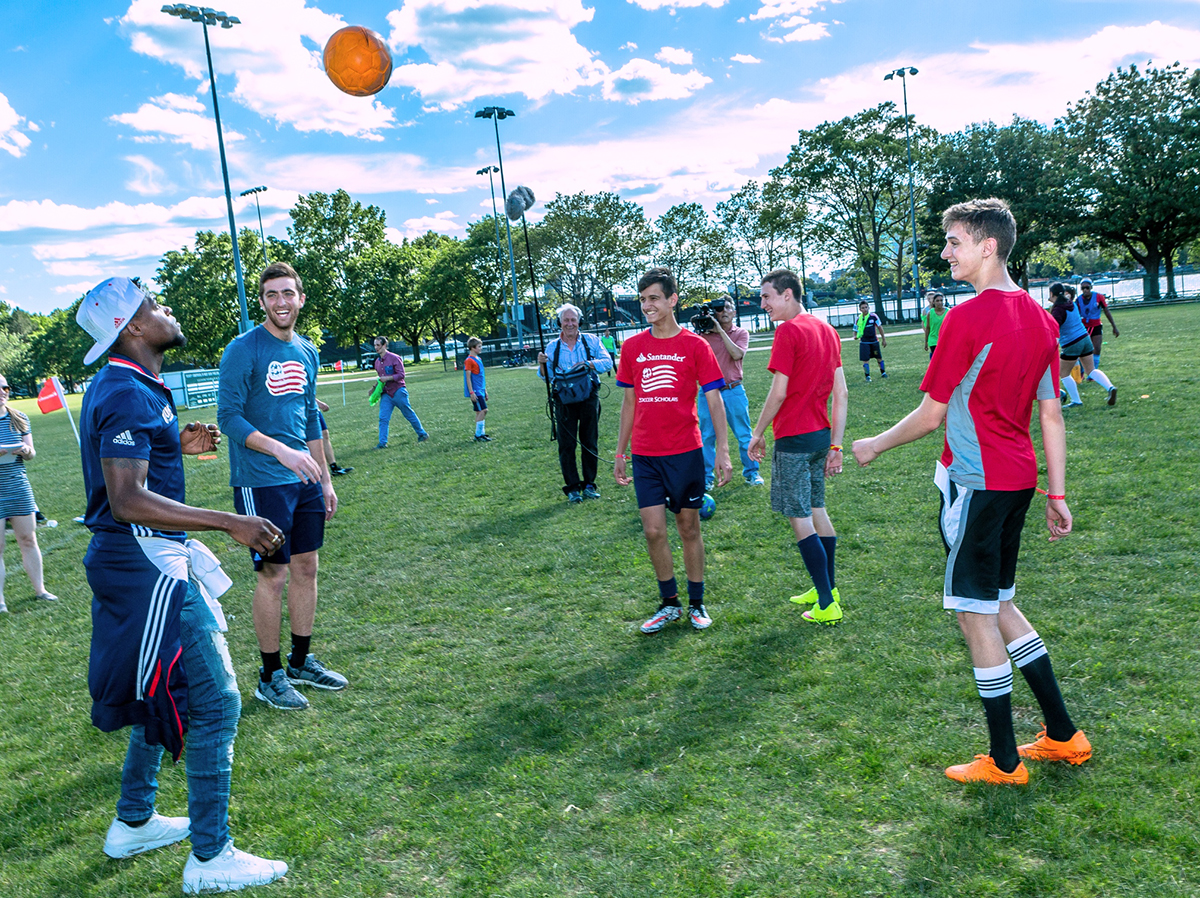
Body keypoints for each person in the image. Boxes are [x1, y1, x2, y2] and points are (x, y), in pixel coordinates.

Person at [852, 198, 1092, 785]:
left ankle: (1005, 764)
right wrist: (1054, 495)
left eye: (954, 241)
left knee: (973, 612)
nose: (945, 251)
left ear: (988, 246)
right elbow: (1052, 414)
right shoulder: (1040, 319)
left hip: (976, 486)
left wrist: (874, 444)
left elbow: (932, 414)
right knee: (1001, 602)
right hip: (1017, 483)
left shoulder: (965, 319)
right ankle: (1062, 734)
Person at [76, 276, 288, 892]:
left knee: (162, 689)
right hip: (143, 561)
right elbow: (126, 499)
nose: (166, 309)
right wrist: (229, 521)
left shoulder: (134, 383)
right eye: (154, 304)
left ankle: (134, 821)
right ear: (133, 328)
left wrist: (175, 441)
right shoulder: (122, 388)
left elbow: (133, 462)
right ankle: (210, 856)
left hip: (144, 557)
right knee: (216, 699)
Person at [218, 262, 346, 712]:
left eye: (288, 293)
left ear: (301, 298)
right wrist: (282, 453)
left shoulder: (307, 351)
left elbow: (311, 416)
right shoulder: (242, 349)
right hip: (263, 480)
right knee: (274, 574)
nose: (281, 302)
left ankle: (300, 661)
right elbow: (229, 419)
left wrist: (325, 478)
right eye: (272, 295)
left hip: (305, 478)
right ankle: (269, 674)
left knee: (307, 568)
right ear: (262, 301)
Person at [614, 267, 731, 634]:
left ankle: (697, 603)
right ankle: (669, 604)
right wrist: (620, 452)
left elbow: (714, 400)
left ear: (672, 300)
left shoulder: (695, 346)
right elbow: (629, 403)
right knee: (652, 532)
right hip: (646, 454)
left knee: (688, 527)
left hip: (685, 452)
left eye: (653, 298)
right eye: (642, 299)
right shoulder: (632, 347)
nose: (646, 305)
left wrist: (723, 451)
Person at [748, 270, 848, 624]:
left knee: (800, 517)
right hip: (821, 438)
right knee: (817, 509)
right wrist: (836, 444)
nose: (763, 305)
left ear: (787, 295)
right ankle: (827, 589)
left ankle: (826, 603)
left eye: (767, 297)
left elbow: (778, 392)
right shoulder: (827, 330)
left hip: (794, 441)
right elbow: (842, 393)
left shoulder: (788, 331)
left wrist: (757, 433)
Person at [538, 304, 613, 503]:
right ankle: (572, 487)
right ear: (559, 323)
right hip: (563, 400)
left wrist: (588, 364)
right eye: (566, 320)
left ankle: (589, 484)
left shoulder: (592, 341)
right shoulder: (552, 347)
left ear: (579, 321)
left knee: (589, 441)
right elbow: (546, 377)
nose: (570, 324)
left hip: (589, 397)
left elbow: (608, 362)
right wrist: (541, 364)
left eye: (573, 320)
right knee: (566, 444)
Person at [0, 373, 57, 612]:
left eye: (6, 387)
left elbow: (32, 453)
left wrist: (24, 450)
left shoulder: (19, 417)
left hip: (17, 484)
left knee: (28, 539)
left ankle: (40, 590)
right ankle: (0, 601)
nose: (3, 391)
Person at [695, 295, 763, 490]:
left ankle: (752, 473)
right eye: (719, 309)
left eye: (727, 308)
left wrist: (719, 332)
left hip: (734, 390)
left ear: (734, 311)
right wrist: (705, 330)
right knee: (707, 436)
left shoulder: (741, 333)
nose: (723, 311)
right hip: (708, 392)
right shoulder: (703, 336)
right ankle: (707, 478)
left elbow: (736, 354)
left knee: (743, 435)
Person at [1050, 282, 1117, 407]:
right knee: (1091, 370)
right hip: (1085, 339)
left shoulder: (1058, 309)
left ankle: (1076, 401)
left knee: (1064, 373)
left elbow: (1054, 329)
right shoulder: (1071, 303)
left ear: (1051, 293)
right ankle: (1110, 387)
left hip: (1072, 343)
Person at [372, 336, 429, 448]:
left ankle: (422, 434)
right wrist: (373, 388)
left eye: (378, 345)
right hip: (386, 394)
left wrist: (388, 378)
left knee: (408, 413)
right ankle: (382, 443)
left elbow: (401, 375)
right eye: (375, 345)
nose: (376, 347)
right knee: (383, 418)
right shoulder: (377, 362)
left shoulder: (394, 358)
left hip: (398, 391)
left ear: (384, 345)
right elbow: (380, 379)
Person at [1076, 278, 1119, 364]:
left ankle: (1093, 372)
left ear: (1091, 287)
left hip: (1096, 325)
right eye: (1083, 288)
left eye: (1087, 287)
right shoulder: (1078, 300)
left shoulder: (1099, 297)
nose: (1085, 290)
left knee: (1097, 348)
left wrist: (1114, 326)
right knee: (1083, 349)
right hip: (1084, 327)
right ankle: (1081, 370)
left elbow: (1107, 311)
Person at [315, 399, 353, 476]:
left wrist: (318, 403)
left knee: (324, 434)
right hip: (300, 407)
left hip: (312, 407)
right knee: (311, 440)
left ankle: (334, 468)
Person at [464, 337, 491, 442]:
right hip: (475, 391)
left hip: (481, 390)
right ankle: (478, 435)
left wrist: (485, 390)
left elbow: (481, 377)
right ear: (472, 347)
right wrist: (471, 392)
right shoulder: (469, 360)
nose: (481, 348)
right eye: (479, 347)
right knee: (483, 410)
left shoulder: (479, 359)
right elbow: (468, 378)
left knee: (479, 412)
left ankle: (481, 434)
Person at [854, 300, 888, 381]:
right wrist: (855, 336)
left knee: (879, 357)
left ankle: (883, 372)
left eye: (866, 307)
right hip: (864, 342)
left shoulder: (874, 316)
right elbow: (855, 329)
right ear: (860, 309)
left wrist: (883, 339)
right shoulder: (858, 319)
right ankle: (867, 376)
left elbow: (880, 327)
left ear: (868, 307)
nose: (865, 309)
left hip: (874, 341)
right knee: (865, 360)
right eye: (863, 308)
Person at [923, 291, 948, 359]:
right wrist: (926, 342)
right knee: (937, 359)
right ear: (933, 302)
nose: (940, 302)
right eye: (937, 301)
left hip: (945, 340)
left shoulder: (948, 312)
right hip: (933, 340)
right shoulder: (930, 313)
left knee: (945, 359)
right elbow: (928, 328)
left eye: (941, 300)